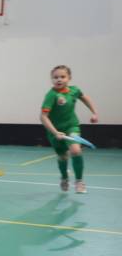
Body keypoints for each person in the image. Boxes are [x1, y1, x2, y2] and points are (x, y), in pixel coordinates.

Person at [40, 65, 99, 194]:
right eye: (55, 77)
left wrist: (94, 112)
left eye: (62, 76)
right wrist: (55, 132)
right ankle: (64, 178)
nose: (59, 79)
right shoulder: (51, 95)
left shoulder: (74, 90)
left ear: (69, 78)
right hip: (55, 131)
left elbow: (84, 98)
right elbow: (43, 117)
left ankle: (79, 181)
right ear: (51, 79)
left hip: (71, 126)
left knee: (76, 150)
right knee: (62, 157)